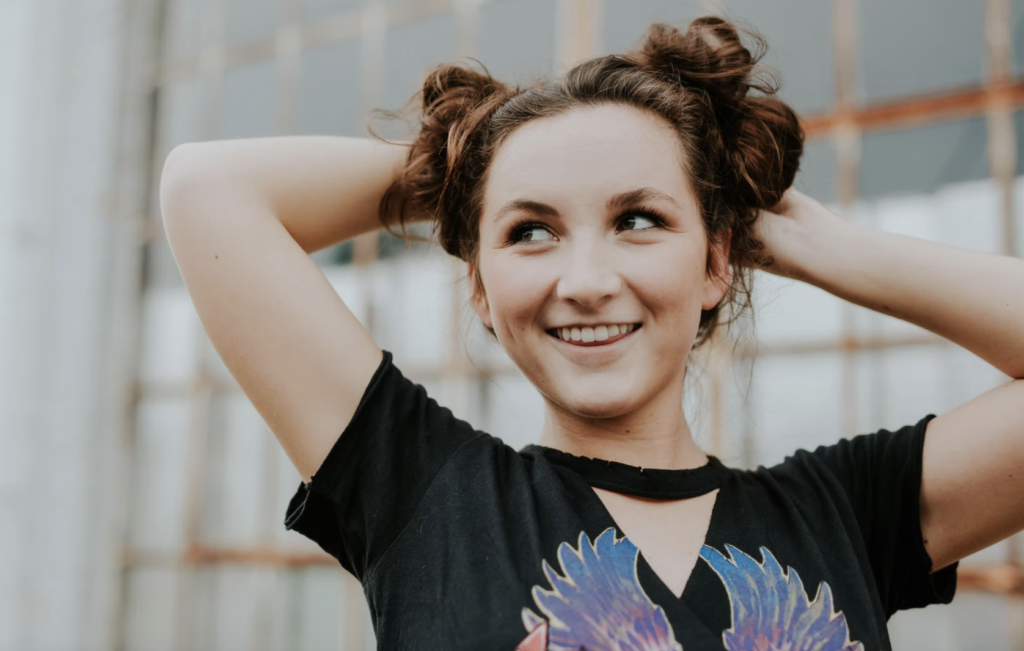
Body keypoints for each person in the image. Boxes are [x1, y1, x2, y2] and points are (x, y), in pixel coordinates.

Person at [159, 16, 1024, 651]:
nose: (585, 281)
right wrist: (474, 161)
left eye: (640, 219)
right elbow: (207, 191)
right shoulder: (426, 495)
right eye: (529, 232)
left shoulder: (850, 511)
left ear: (718, 260)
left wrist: (828, 247)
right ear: (482, 290)